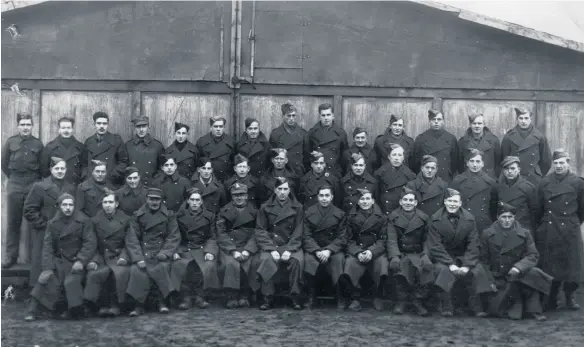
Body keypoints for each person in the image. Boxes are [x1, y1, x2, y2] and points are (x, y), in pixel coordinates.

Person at [25, 193, 96, 321]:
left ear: (74, 206)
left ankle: (74, 310)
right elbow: (47, 247)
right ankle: (33, 310)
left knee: (71, 281)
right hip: (59, 260)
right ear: (59, 206)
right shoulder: (52, 223)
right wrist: (48, 267)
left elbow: (89, 243)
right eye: (64, 205)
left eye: (70, 205)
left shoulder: (84, 221)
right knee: (46, 278)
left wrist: (81, 260)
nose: (68, 208)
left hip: (76, 261)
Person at [479, 202, 551, 321]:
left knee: (533, 273)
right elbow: (483, 260)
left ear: (514, 218)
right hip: (499, 277)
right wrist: (489, 280)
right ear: (498, 218)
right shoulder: (487, 234)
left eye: (510, 217)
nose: (507, 220)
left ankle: (535, 310)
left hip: (519, 275)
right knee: (499, 308)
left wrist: (519, 267)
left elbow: (532, 255)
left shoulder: (524, 233)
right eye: (503, 217)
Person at [426, 188, 491, 317]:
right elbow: (435, 246)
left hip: (463, 257)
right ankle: (446, 306)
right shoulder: (435, 219)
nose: (452, 204)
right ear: (445, 202)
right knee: (443, 271)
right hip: (443, 257)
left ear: (460, 203)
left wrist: (467, 264)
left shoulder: (469, 219)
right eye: (449, 201)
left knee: (477, 270)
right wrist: (450, 264)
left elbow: (474, 244)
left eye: (455, 201)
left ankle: (477, 306)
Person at [536, 149, 584, 311]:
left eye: (562, 163)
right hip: (550, 228)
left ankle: (569, 297)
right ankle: (552, 297)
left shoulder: (578, 183)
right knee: (551, 265)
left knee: (572, 266)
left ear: (568, 163)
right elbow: (539, 208)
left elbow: (582, 209)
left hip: (570, 228)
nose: (558, 166)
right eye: (555, 163)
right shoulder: (544, 182)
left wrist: (572, 221)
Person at [125, 188, 181, 316]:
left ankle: (162, 302)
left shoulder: (169, 215)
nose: (154, 202)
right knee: (137, 271)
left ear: (161, 200)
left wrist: (166, 252)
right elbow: (132, 238)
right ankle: (139, 305)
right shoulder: (137, 215)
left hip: (160, 251)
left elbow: (174, 236)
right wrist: (138, 258)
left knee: (162, 267)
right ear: (146, 199)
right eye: (151, 199)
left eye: (157, 199)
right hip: (144, 251)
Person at [23, 157, 76, 286]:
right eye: (57, 168)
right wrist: (44, 224)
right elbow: (29, 210)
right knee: (42, 263)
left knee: (62, 264)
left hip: (65, 232)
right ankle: (37, 294)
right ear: (51, 169)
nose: (60, 171)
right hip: (44, 232)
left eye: (62, 168)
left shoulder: (71, 187)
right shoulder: (40, 187)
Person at [254, 178, 304, 310]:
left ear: (289, 190)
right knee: (266, 260)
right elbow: (260, 230)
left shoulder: (298, 207)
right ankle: (267, 297)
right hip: (272, 244)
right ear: (275, 190)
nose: (282, 192)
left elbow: (299, 230)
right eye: (279, 189)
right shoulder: (265, 207)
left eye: (285, 189)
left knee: (296, 261)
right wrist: (271, 249)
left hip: (290, 244)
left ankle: (295, 297)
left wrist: (290, 249)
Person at [1, 113, 43, 268]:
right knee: (13, 220)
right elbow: (4, 163)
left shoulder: (38, 144)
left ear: (32, 126)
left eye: (28, 124)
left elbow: (43, 165)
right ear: (18, 126)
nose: (25, 127)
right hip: (15, 182)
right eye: (23, 124)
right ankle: (10, 256)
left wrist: (35, 182)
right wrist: (13, 178)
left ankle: (35, 257)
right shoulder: (11, 142)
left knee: (34, 219)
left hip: (33, 182)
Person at [170, 188, 220, 310]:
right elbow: (175, 236)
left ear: (202, 202)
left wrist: (210, 251)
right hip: (185, 248)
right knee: (179, 265)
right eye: (192, 200)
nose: (194, 203)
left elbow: (213, 236)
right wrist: (175, 251)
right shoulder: (179, 216)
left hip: (202, 248)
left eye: (197, 200)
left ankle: (200, 296)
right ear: (187, 201)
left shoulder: (210, 216)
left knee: (208, 265)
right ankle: (185, 297)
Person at [83, 191, 132, 317]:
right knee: (95, 273)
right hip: (101, 256)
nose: (108, 205)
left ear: (116, 204)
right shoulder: (94, 221)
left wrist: (124, 257)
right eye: (105, 202)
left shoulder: (126, 220)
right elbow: (91, 244)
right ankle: (101, 305)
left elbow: (130, 242)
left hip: (119, 256)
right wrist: (93, 260)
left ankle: (116, 305)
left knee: (119, 273)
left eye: (110, 202)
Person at [386, 187, 433, 316]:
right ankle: (401, 301)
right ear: (400, 202)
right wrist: (394, 255)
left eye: (411, 200)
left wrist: (425, 254)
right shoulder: (393, 217)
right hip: (402, 252)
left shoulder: (423, 218)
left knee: (424, 268)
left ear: (416, 203)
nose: (408, 203)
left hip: (417, 252)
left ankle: (417, 301)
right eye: (405, 200)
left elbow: (427, 239)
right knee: (399, 267)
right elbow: (391, 239)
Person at [303, 185, 348, 310]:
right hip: (314, 249)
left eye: (327, 195)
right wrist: (317, 250)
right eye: (321, 196)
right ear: (317, 197)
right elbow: (306, 236)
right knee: (308, 260)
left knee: (338, 260)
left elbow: (342, 237)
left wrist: (329, 250)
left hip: (332, 249)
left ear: (332, 197)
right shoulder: (308, 213)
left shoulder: (340, 214)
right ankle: (311, 297)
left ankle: (340, 296)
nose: (324, 198)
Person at [343, 188, 389, 311]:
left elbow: (383, 240)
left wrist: (371, 251)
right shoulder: (350, 217)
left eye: (368, 198)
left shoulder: (382, 218)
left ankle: (377, 296)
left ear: (373, 201)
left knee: (382, 264)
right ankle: (355, 298)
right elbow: (348, 239)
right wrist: (357, 252)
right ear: (357, 202)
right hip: (358, 250)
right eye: (362, 199)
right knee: (350, 263)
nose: (365, 201)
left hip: (375, 251)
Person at [216, 183, 260, 308]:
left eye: (242, 194)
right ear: (232, 197)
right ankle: (232, 295)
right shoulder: (224, 211)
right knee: (230, 263)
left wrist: (248, 250)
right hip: (230, 246)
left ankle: (245, 294)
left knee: (252, 263)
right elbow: (221, 233)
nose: (239, 198)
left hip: (248, 246)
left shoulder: (255, 211)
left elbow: (258, 232)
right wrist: (232, 250)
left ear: (247, 196)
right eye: (236, 195)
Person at [450, 148, 497, 234]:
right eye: (472, 161)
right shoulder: (457, 181)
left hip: (483, 225)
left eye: (478, 161)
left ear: (483, 164)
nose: (475, 165)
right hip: (463, 224)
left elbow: (493, 209)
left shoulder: (491, 183)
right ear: (467, 163)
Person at [501, 107, 551, 186]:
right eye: (521, 118)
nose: (523, 121)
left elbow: (546, 161)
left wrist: (537, 173)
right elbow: (504, 158)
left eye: (526, 118)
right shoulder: (508, 137)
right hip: (514, 177)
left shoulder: (540, 137)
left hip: (533, 178)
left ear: (530, 119)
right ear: (517, 119)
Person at [493, 156, 538, 234]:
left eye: (513, 168)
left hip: (522, 229)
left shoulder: (528, 187)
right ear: (503, 171)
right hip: (503, 230)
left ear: (519, 170)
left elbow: (534, 212)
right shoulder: (498, 187)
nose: (510, 171)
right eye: (507, 169)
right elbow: (493, 210)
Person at [84, 111, 128, 188]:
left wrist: (111, 175)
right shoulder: (89, 141)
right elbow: (84, 163)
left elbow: (123, 162)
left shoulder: (116, 140)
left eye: (104, 124)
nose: (102, 126)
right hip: (91, 184)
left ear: (107, 125)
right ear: (94, 124)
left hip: (110, 183)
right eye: (99, 123)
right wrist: (87, 176)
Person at [413, 109, 458, 182]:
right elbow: (415, 163)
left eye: (439, 119)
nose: (436, 121)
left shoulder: (451, 139)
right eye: (433, 119)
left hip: (444, 178)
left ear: (443, 121)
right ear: (429, 121)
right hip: (426, 179)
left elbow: (455, 163)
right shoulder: (420, 139)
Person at [40, 116, 87, 185]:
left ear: (72, 129)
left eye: (68, 128)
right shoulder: (50, 147)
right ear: (59, 130)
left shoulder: (80, 147)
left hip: (74, 186)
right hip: (55, 187)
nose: (66, 131)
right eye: (63, 128)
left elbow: (84, 167)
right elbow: (44, 170)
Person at [306, 103, 348, 176]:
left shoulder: (341, 133)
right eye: (323, 115)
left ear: (333, 116)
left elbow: (344, 157)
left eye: (328, 115)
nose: (326, 118)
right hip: (317, 173)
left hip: (334, 173)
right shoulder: (312, 133)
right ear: (319, 117)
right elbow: (307, 156)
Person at [374, 143, 416, 215]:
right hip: (384, 211)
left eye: (399, 155)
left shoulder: (410, 176)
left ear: (403, 158)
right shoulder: (379, 173)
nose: (396, 158)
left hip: (400, 213)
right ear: (389, 157)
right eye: (394, 155)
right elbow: (376, 196)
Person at [457, 113, 501, 179]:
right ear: (470, 125)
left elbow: (498, 162)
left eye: (479, 123)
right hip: (468, 179)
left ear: (484, 124)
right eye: (474, 123)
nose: (477, 126)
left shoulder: (494, 141)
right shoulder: (462, 142)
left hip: (488, 179)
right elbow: (459, 164)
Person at [269, 102, 308, 176]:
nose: (291, 118)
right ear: (282, 116)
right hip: (282, 172)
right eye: (288, 116)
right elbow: (272, 156)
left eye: (293, 116)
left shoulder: (303, 133)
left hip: (298, 172)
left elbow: (307, 157)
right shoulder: (275, 134)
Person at [125, 115, 164, 187]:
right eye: (138, 127)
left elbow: (162, 168)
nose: (141, 129)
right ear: (134, 128)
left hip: (151, 186)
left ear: (148, 127)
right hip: (133, 186)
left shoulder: (157, 146)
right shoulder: (128, 145)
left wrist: (156, 181)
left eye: (144, 126)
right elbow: (124, 167)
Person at [196, 116, 235, 181]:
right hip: (208, 179)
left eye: (221, 126)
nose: (218, 129)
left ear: (224, 128)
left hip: (225, 179)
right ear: (211, 127)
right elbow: (197, 163)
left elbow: (234, 163)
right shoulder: (202, 142)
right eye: (215, 126)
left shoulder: (231, 142)